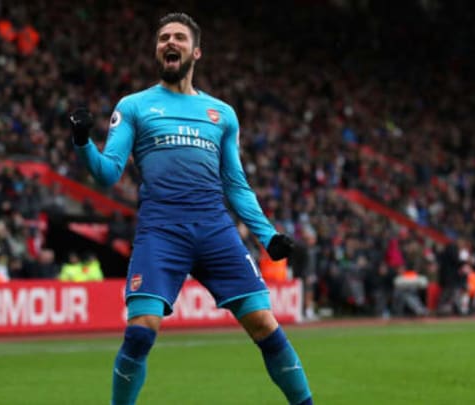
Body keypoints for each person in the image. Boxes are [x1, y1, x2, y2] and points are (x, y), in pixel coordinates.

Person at [69, 12, 312, 405]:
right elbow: (109, 172)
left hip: (215, 230)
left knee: (265, 325)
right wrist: (83, 143)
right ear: (156, 50)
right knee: (140, 331)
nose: (170, 42)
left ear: (195, 51)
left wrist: (267, 235)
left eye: (179, 37)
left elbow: (235, 183)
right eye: (163, 37)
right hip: (161, 232)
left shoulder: (222, 114)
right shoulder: (134, 106)